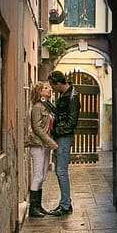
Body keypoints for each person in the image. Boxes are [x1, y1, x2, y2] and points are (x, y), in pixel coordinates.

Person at [47, 70, 81, 216]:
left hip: (64, 138)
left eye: (52, 86)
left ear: (59, 83)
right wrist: (48, 105)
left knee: (61, 172)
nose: (52, 88)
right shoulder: (65, 95)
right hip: (61, 137)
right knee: (59, 171)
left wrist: (56, 131)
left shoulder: (72, 97)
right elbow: (62, 114)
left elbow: (71, 123)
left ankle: (66, 206)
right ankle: (64, 203)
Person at [25, 81, 59, 218]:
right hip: (38, 145)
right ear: (40, 92)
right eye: (45, 88)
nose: (49, 90)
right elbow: (37, 129)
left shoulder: (47, 107)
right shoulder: (37, 107)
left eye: (49, 88)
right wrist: (52, 143)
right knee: (38, 175)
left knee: (43, 176)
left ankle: (38, 206)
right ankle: (33, 209)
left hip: (45, 145)